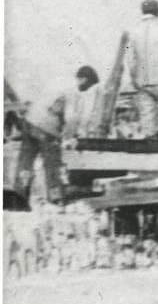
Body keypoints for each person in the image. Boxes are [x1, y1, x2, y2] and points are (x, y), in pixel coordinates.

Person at [10, 67, 98, 202]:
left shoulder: (59, 81)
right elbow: (70, 118)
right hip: (47, 128)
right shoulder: (73, 91)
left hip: (30, 121)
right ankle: (55, 198)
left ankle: (19, 196)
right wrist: (69, 139)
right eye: (89, 85)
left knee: (25, 160)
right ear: (84, 79)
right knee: (53, 165)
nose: (86, 89)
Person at [125, 0, 158, 138]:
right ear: (157, 11)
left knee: (147, 119)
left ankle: (151, 146)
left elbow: (130, 59)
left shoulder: (134, 32)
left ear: (142, 11)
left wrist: (134, 77)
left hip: (142, 82)